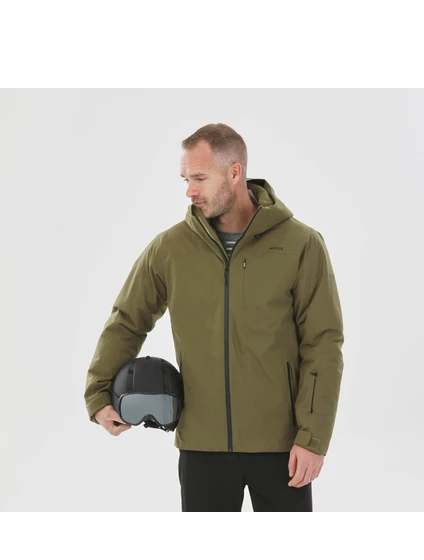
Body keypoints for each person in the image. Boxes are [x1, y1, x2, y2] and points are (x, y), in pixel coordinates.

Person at [84, 123, 344, 512]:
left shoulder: (300, 244)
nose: (190, 190)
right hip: (201, 447)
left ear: (234, 172)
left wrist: (313, 438)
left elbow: (323, 343)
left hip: (283, 447)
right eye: (186, 179)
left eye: (200, 178)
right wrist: (99, 393)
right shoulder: (170, 249)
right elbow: (127, 320)